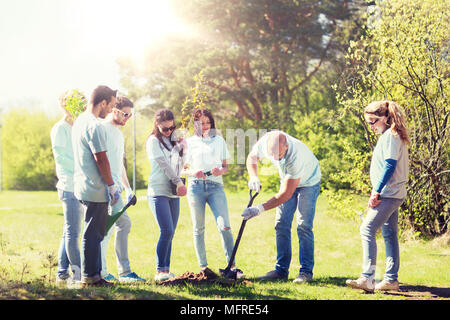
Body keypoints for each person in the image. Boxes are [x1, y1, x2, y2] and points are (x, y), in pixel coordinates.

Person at [346, 100, 410, 293]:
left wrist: (377, 191)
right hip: (390, 193)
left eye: (373, 121)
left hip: (389, 193)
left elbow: (390, 165)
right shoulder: (388, 135)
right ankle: (391, 280)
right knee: (389, 234)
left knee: (367, 229)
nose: (371, 126)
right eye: (369, 122)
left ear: (386, 118)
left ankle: (367, 278)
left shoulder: (391, 136)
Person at [242, 130, 321, 283]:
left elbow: (285, 194)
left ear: (286, 146)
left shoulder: (295, 156)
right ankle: (281, 270)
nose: (274, 159)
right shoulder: (266, 142)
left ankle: (305, 273)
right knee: (281, 224)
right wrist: (253, 175)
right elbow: (252, 157)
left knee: (303, 225)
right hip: (287, 179)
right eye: (271, 155)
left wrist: (258, 209)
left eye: (277, 154)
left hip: (308, 183)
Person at [182, 109, 244, 277]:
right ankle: (204, 268)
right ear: (195, 124)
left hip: (216, 187)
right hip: (196, 187)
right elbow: (182, 170)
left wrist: (220, 171)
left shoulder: (219, 141)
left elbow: (226, 167)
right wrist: (193, 172)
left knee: (225, 226)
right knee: (198, 228)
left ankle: (232, 268)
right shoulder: (189, 143)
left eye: (208, 122)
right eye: (201, 123)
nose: (205, 126)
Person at [72, 85, 119, 287]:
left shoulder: (79, 121)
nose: (111, 110)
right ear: (103, 102)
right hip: (95, 187)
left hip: (83, 185)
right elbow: (101, 159)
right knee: (94, 234)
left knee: (93, 232)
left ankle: (95, 275)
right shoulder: (94, 125)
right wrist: (111, 186)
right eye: (112, 105)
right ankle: (90, 278)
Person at [100, 96, 145, 282]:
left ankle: (123, 272)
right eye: (125, 114)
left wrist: (128, 188)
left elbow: (119, 165)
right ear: (114, 111)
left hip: (117, 189)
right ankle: (102, 272)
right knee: (105, 230)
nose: (127, 118)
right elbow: (99, 160)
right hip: (106, 189)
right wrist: (109, 187)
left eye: (130, 115)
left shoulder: (118, 134)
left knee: (122, 224)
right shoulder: (102, 129)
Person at [146, 109, 187, 282]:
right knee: (166, 230)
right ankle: (160, 271)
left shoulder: (172, 140)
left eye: (172, 128)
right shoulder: (153, 141)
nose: (169, 131)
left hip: (173, 193)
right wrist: (178, 182)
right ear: (157, 125)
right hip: (158, 191)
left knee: (171, 233)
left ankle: (166, 271)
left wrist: (183, 148)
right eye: (165, 129)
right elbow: (163, 164)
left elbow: (181, 164)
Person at [51, 90, 86, 286]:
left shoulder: (77, 127)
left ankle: (62, 273)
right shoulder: (60, 128)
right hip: (69, 185)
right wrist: (82, 166)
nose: (82, 108)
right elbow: (61, 158)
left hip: (79, 184)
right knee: (73, 232)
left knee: (68, 231)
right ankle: (78, 275)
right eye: (78, 104)